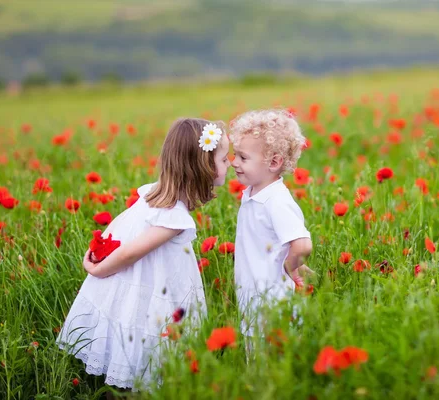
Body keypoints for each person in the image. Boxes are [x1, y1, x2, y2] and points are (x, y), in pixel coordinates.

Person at [57, 118, 230, 390]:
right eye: (224, 158)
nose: (229, 163)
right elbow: (130, 253)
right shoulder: (173, 217)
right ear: (203, 166)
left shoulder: (153, 193)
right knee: (150, 349)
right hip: (156, 292)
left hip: (146, 283)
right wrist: (98, 269)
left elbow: (121, 231)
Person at [229, 109, 313, 338]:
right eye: (235, 155)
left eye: (243, 158)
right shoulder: (254, 194)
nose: (234, 162)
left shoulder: (276, 201)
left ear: (274, 162)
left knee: (272, 362)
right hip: (254, 298)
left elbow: (303, 245)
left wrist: (288, 267)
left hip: (274, 302)